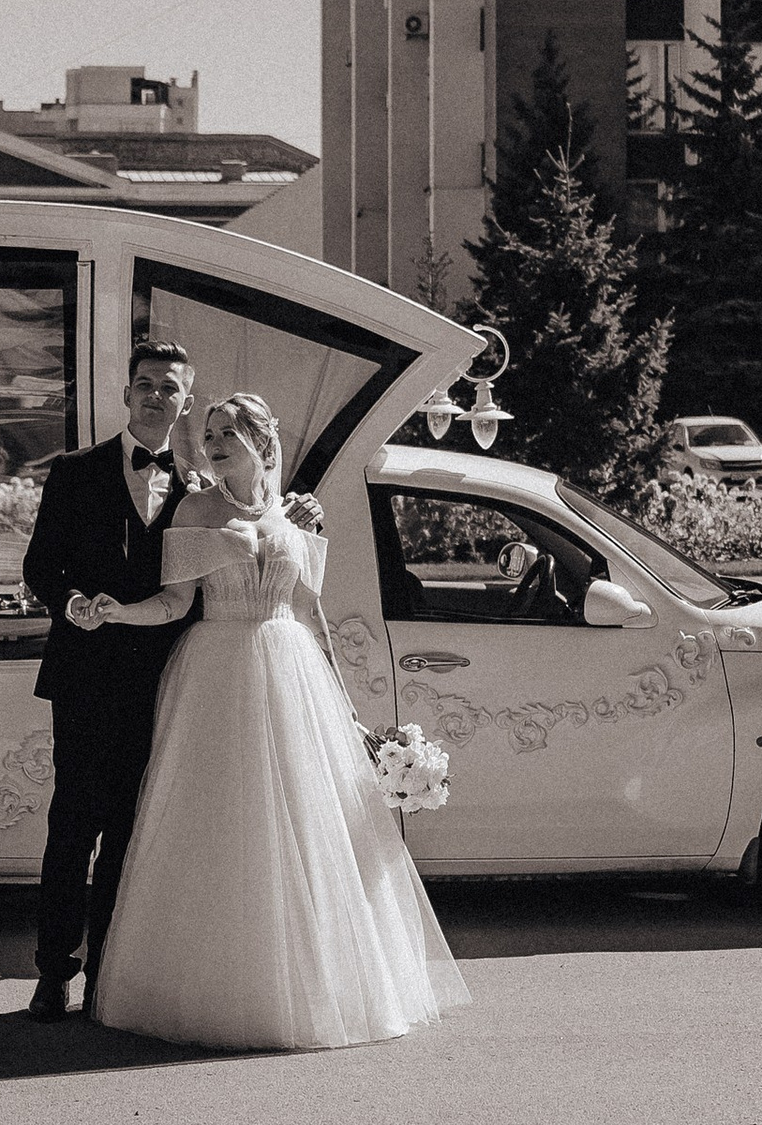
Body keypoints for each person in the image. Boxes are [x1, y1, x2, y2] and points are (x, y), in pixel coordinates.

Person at [81, 393, 470, 1055]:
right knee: (219, 824)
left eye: (228, 433)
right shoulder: (195, 510)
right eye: (209, 434)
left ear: (263, 443)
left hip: (294, 672)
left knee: (307, 822)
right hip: (216, 671)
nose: (214, 444)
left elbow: (312, 612)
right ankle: (215, 989)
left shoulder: (297, 515)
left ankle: (317, 986)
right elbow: (174, 603)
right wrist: (118, 612)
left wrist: (346, 705)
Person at [20, 340, 199, 1021]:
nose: (156, 395)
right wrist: (71, 604)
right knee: (73, 825)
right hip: (84, 678)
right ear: (127, 394)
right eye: (146, 383)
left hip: (162, 683)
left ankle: (108, 972)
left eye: (169, 387)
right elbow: (42, 565)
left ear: (185, 402)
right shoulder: (73, 472)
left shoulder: (198, 491)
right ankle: (53, 971)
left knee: (131, 829)